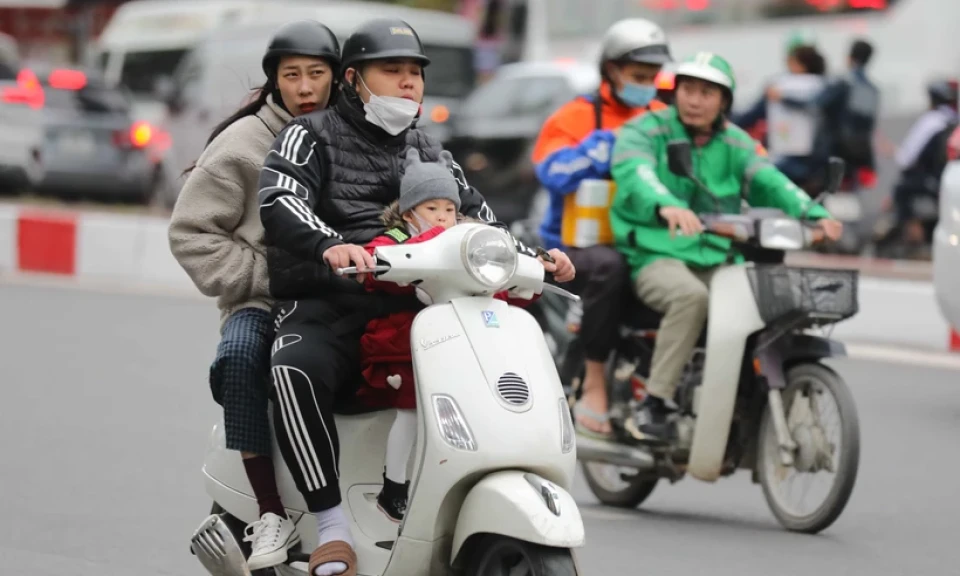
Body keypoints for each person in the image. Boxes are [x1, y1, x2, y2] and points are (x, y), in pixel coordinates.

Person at [256, 18, 575, 576]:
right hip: (338, 301)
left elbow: (479, 220)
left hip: (423, 304)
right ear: (353, 79)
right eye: (392, 70)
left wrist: (534, 258)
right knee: (294, 367)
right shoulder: (310, 133)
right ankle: (330, 526)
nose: (408, 83)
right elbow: (279, 198)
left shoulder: (430, 147)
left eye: (415, 73)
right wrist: (330, 245)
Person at [168, 20, 341, 571]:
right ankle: (269, 510)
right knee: (242, 356)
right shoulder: (243, 145)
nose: (305, 86)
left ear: (338, 76)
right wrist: (269, 277)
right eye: (292, 75)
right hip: (262, 302)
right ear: (274, 81)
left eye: (316, 73)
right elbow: (191, 234)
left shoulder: (351, 135)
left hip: (342, 296)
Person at [609, 52, 844, 444]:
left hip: (717, 254)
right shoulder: (645, 131)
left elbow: (769, 180)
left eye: (707, 93)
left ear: (724, 102)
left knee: (767, 301)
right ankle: (654, 402)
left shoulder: (737, 143)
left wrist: (814, 213)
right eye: (688, 89)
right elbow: (637, 173)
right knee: (690, 297)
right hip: (656, 252)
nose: (694, 100)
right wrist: (666, 205)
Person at [359, 149, 538, 523]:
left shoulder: (468, 240)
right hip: (412, 346)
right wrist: (430, 243)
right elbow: (376, 262)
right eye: (431, 208)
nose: (442, 216)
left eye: (448, 209)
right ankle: (394, 485)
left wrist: (531, 277)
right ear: (409, 212)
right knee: (410, 412)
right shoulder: (398, 237)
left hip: (467, 342)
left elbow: (496, 275)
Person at [531, 18, 672, 440]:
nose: (647, 85)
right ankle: (594, 381)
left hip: (643, 239)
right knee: (610, 267)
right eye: (638, 76)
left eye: (652, 77)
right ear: (612, 69)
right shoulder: (573, 117)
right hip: (574, 244)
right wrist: (607, 147)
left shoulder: (663, 119)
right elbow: (552, 172)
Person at [771, 39, 881, 191]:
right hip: (858, 158)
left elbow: (814, 104)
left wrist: (782, 98)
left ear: (849, 57)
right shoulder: (873, 90)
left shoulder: (842, 83)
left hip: (829, 155)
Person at [733, 44, 829, 193]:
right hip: (818, 164)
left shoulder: (779, 87)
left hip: (788, 160)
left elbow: (750, 116)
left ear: (800, 65)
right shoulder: (827, 86)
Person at [877, 80, 959, 254]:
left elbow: (906, 159)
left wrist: (892, 150)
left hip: (929, 181)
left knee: (901, 190)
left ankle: (914, 235)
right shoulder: (953, 121)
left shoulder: (931, 120)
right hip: (948, 181)